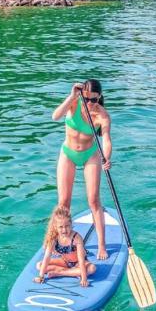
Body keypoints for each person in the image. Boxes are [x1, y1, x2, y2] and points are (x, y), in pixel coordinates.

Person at [52, 79, 112, 260]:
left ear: (99, 97)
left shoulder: (102, 116)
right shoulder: (74, 103)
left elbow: (106, 140)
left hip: (90, 155)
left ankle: (102, 245)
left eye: (93, 100)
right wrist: (72, 96)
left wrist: (106, 158)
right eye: (86, 99)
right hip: (68, 154)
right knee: (63, 203)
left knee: (93, 200)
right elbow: (55, 116)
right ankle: (58, 242)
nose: (89, 104)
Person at [34, 205, 96, 287]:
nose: (64, 230)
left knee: (92, 269)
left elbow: (81, 260)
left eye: (67, 226)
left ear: (71, 224)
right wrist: (41, 276)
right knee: (39, 265)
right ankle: (71, 272)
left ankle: (60, 272)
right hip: (65, 262)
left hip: (78, 263)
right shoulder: (53, 238)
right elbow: (47, 257)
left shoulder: (76, 238)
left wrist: (84, 278)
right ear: (55, 227)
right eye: (61, 227)